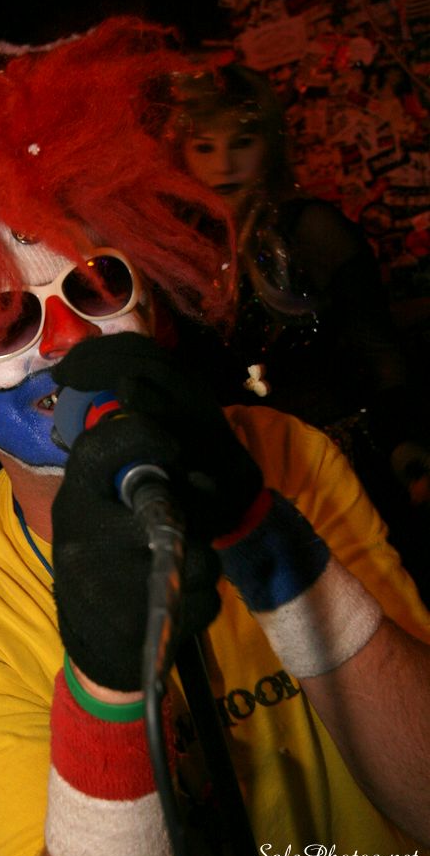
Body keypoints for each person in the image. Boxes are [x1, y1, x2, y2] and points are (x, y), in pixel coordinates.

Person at [0, 16, 429, 856]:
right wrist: (104, 690)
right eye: (5, 320)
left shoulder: (287, 456)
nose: (70, 336)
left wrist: (269, 544)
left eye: (97, 283)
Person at [162, 60, 430, 603]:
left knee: (387, 605)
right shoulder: (180, 251)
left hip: (345, 464)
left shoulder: (311, 228)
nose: (224, 163)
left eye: (242, 142)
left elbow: (379, 350)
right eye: (205, 147)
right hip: (251, 480)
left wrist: (405, 444)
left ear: (270, 144)